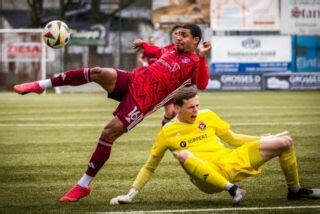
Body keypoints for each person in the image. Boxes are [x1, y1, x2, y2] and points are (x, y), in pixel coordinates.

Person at [13, 24, 211, 202]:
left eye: (184, 35)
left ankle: (83, 185)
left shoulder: (194, 62)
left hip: (142, 102)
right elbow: (156, 50)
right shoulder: (170, 49)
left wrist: (201, 57)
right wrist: (143, 44)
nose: (178, 38)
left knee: (108, 133)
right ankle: (41, 85)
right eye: (177, 34)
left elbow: (201, 83)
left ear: (195, 40)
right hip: (133, 79)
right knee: (98, 72)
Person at [110, 87, 320, 206]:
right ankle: (233, 190)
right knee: (182, 155)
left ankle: (295, 190)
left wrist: (261, 138)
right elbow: (149, 166)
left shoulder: (207, 116)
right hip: (208, 178)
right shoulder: (167, 132)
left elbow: (234, 139)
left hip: (230, 162)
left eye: (198, 105)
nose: (196, 110)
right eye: (191, 107)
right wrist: (130, 194)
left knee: (285, 143)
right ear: (177, 108)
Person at [134, 25, 182, 126]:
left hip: (178, 85)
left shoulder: (187, 50)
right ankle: (165, 131)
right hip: (164, 84)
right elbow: (144, 56)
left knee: (177, 112)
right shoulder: (165, 49)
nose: (178, 36)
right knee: (170, 111)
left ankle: (173, 132)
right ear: (172, 35)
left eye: (181, 33)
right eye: (176, 33)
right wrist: (144, 64)